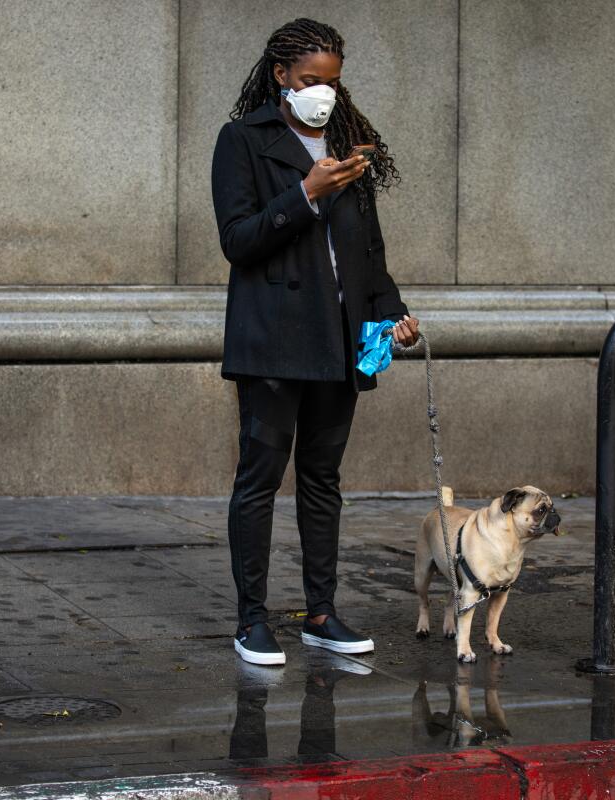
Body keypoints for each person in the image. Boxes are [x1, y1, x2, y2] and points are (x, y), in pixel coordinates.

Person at [211, 17, 419, 666]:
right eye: (309, 81)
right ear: (280, 77)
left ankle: (321, 613)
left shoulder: (350, 145)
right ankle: (252, 620)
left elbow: (368, 250)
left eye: (331, 81)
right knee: (260, 478)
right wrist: (304, 193)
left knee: (323, 479)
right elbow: (238, 240)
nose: (322, 93)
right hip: (272, 343)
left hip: (336, 343)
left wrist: (392, 313)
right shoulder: (242, 141)